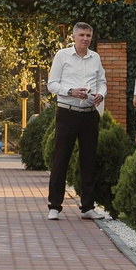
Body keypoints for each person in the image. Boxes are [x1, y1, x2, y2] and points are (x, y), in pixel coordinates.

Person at [45, 20, 107, 220]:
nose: (85, 39)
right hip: (68, 111)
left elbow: (102, 82)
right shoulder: (62, 56)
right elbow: (52, 84)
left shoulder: (95, 58)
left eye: (88, 36)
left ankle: (88, 207)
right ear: (73, 37)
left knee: (88, 160)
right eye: (82, 35)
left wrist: (101, 95)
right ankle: (54, 206)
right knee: (61, 158)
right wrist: (70, 91)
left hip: (89, 113)